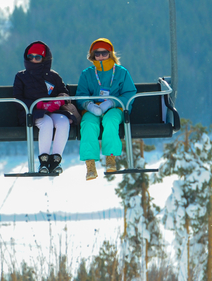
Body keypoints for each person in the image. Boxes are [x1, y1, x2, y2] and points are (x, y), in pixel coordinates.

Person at [13, 41, 80, 174]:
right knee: (47, 123)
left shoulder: (53, 76)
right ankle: (44, 161)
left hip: (53, 111)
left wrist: (58, 101)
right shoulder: (21, 77)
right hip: (31, 112)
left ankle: (55, 160)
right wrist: (38, 105)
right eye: (30, 57)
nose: (33, 60)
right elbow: (17, 99)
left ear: (44, 59)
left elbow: (64, 92)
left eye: (37, 57)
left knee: (63, 121)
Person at [76, 38, 138, 180]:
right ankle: (90, 163)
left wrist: (112, 103)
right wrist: (89, 105)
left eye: (104, 53)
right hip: (94, 108)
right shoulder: (87, 74)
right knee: (88, 123)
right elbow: (81, 94)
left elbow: (129, 93)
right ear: (93, 55)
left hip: (115, 108)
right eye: (97, 54)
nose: (101, 56)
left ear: (110, 53)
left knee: (110, 121)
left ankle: (110, 158)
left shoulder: (121, 72)